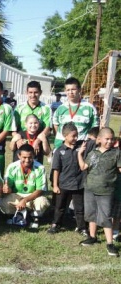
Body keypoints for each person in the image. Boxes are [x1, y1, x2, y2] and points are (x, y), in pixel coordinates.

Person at [77, 127, 121, 256]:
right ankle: (92, 237)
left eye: (111, 139)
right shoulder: (93, 153)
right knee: (91, 214)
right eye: (107, 139)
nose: (109, 141)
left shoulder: (116, 153)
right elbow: (83, 167)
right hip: (90, 188)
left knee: (106, 216)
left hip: (106, 191)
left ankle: (110, 243)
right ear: (99, 139)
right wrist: (79, 154)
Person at [47, 122, 86, 235]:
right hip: (63, 184)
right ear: (65, 136)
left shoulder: (80, 148)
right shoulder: (59, 151)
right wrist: (55, 185)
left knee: (79, 208)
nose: (76, 138)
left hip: (78, 184)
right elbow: (56, 169)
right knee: (60, 207)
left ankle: (81, 227)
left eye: (76, 135)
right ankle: (56, 224)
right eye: (73, 136)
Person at [0, 144, 50, 229]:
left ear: (34, 155)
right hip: (17, 195)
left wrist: (25, 200)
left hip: (32, 196)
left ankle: (35, 219)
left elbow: (39, 190)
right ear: (19, 156)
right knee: (4, 202)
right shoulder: (12, 167)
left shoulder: (40, 167)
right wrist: (7, 188)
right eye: (24, 157)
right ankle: (12, 215)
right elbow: (8, 186)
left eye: (30, 157)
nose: (27, 160)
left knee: (42, 201)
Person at [53, 77, 98, 149]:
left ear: (79, 90)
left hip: (80, 147)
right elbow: (56, 126)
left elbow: (94, 129)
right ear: (65, 91)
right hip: (61, 147)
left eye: (73, 89)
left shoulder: (89, 108)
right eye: (68, 90)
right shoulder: (60, 108)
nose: (70, 92)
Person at [13, 81, 51, 153]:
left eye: (36, 92)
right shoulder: (19, 108)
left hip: (37, 144)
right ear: (26, 92)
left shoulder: (46, 108)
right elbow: (13, 128)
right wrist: (18, 139)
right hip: (21, 143)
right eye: (30, 92)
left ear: (40, 92)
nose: (33, 95)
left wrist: (38, 140)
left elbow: (47, 128)